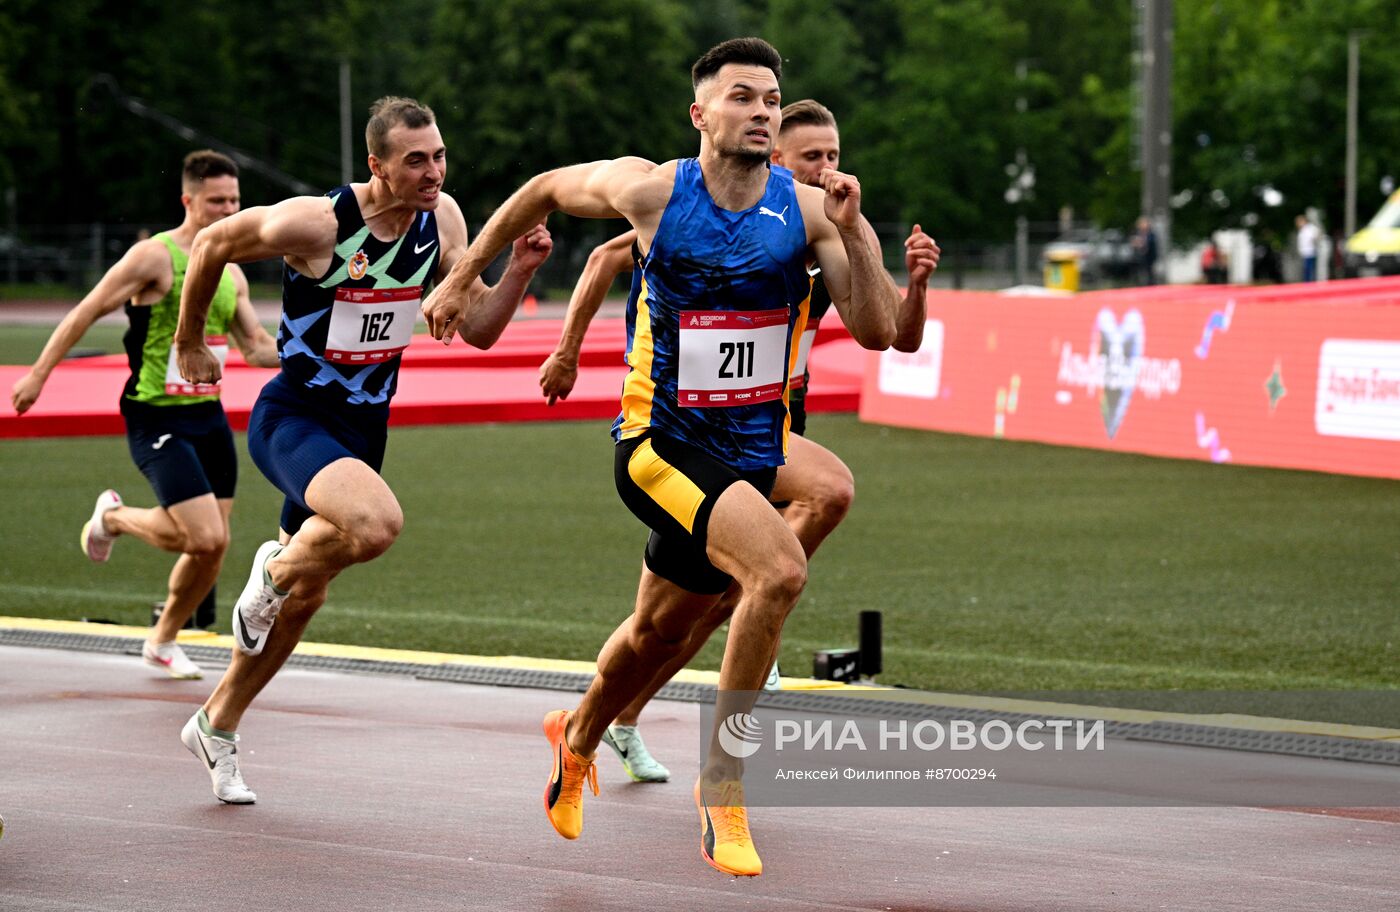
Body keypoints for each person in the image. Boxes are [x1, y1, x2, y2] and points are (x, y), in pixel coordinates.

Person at [425, 38, 903, 877]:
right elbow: (541, 189)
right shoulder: (652, 190)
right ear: (701, 114)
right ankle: (723, 781)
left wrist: (858, 233)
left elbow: (877, 332)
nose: (760, 111)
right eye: (743, 97)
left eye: (770, 99)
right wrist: (465, 275)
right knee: (779, 571)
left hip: (750, 449)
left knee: (658, 630)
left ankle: (576, 737)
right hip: (661, 447)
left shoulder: (809, 210)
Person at [537, 98, 938, 785]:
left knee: (688, 607)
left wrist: (919, 285)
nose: (828, 168)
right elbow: (607, 257)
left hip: (772, 418)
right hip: (685, 427)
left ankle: (637, 697)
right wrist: (568, 350)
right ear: (777, 159)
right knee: (673, 614)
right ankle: (635, 706)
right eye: (812, 157)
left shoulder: (832, 228)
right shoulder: (714, 212)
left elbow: (896, 335)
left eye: (835, 155)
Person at [172, 97, 552, 804]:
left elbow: (477, 330)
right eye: (416, 160)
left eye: (439, 155)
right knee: (375, 525)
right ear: (377, 165)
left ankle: (216, 722)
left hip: (363, 431)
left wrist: (521, 270)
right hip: (294, 418)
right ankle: (275, 568)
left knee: (303, 601)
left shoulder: (443, 220)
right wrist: (191, 339)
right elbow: (211, 244)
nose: (433, 170)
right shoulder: (319, 222)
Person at [10, 150, 278, 680]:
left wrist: (319, 349)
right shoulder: (153, 258)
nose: (228, 209)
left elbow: (256, 346)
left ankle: (161, 641)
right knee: (202, 538)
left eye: (235, 200)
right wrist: (39, 373)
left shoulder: (231, 272)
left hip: (208, 417)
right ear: (188, 201)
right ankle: (111, 518)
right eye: (216, 201)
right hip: (156, 416)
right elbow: (87, 309)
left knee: (214, 548)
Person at [1132, 216, 1158, 286]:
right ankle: (1140, 284)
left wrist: (1142, 243)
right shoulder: (1137, 233)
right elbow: (1133, 243)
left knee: (1150, 272)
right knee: (1140, 272)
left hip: (1149, 257)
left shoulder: (1151, 234)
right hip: (1140, 257)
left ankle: (1151, 285)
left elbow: (1152, 244)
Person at [1296, 213, 1321, 282]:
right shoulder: (1302, 230)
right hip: (1305, 252)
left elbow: (1317, 234)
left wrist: (1314, 241)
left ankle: (1311, 282)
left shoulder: (1309, 228)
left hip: (1310, 251)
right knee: (1306, 269)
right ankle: (1308, 282)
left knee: (1310, 268)